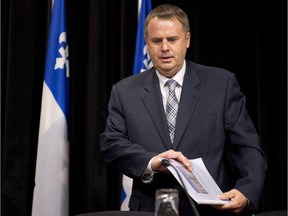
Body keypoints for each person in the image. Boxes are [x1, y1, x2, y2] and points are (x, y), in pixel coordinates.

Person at [100, 4, 267, 216]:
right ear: (147, 44)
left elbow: (247, 147)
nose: (165, 48)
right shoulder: (124, 91)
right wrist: (153, 162)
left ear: (187, 40)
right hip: (149, 210)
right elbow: (111, 146)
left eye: (172, 39)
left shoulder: (221, 84)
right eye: (156, 41)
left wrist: (247, 191)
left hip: (210, 210)